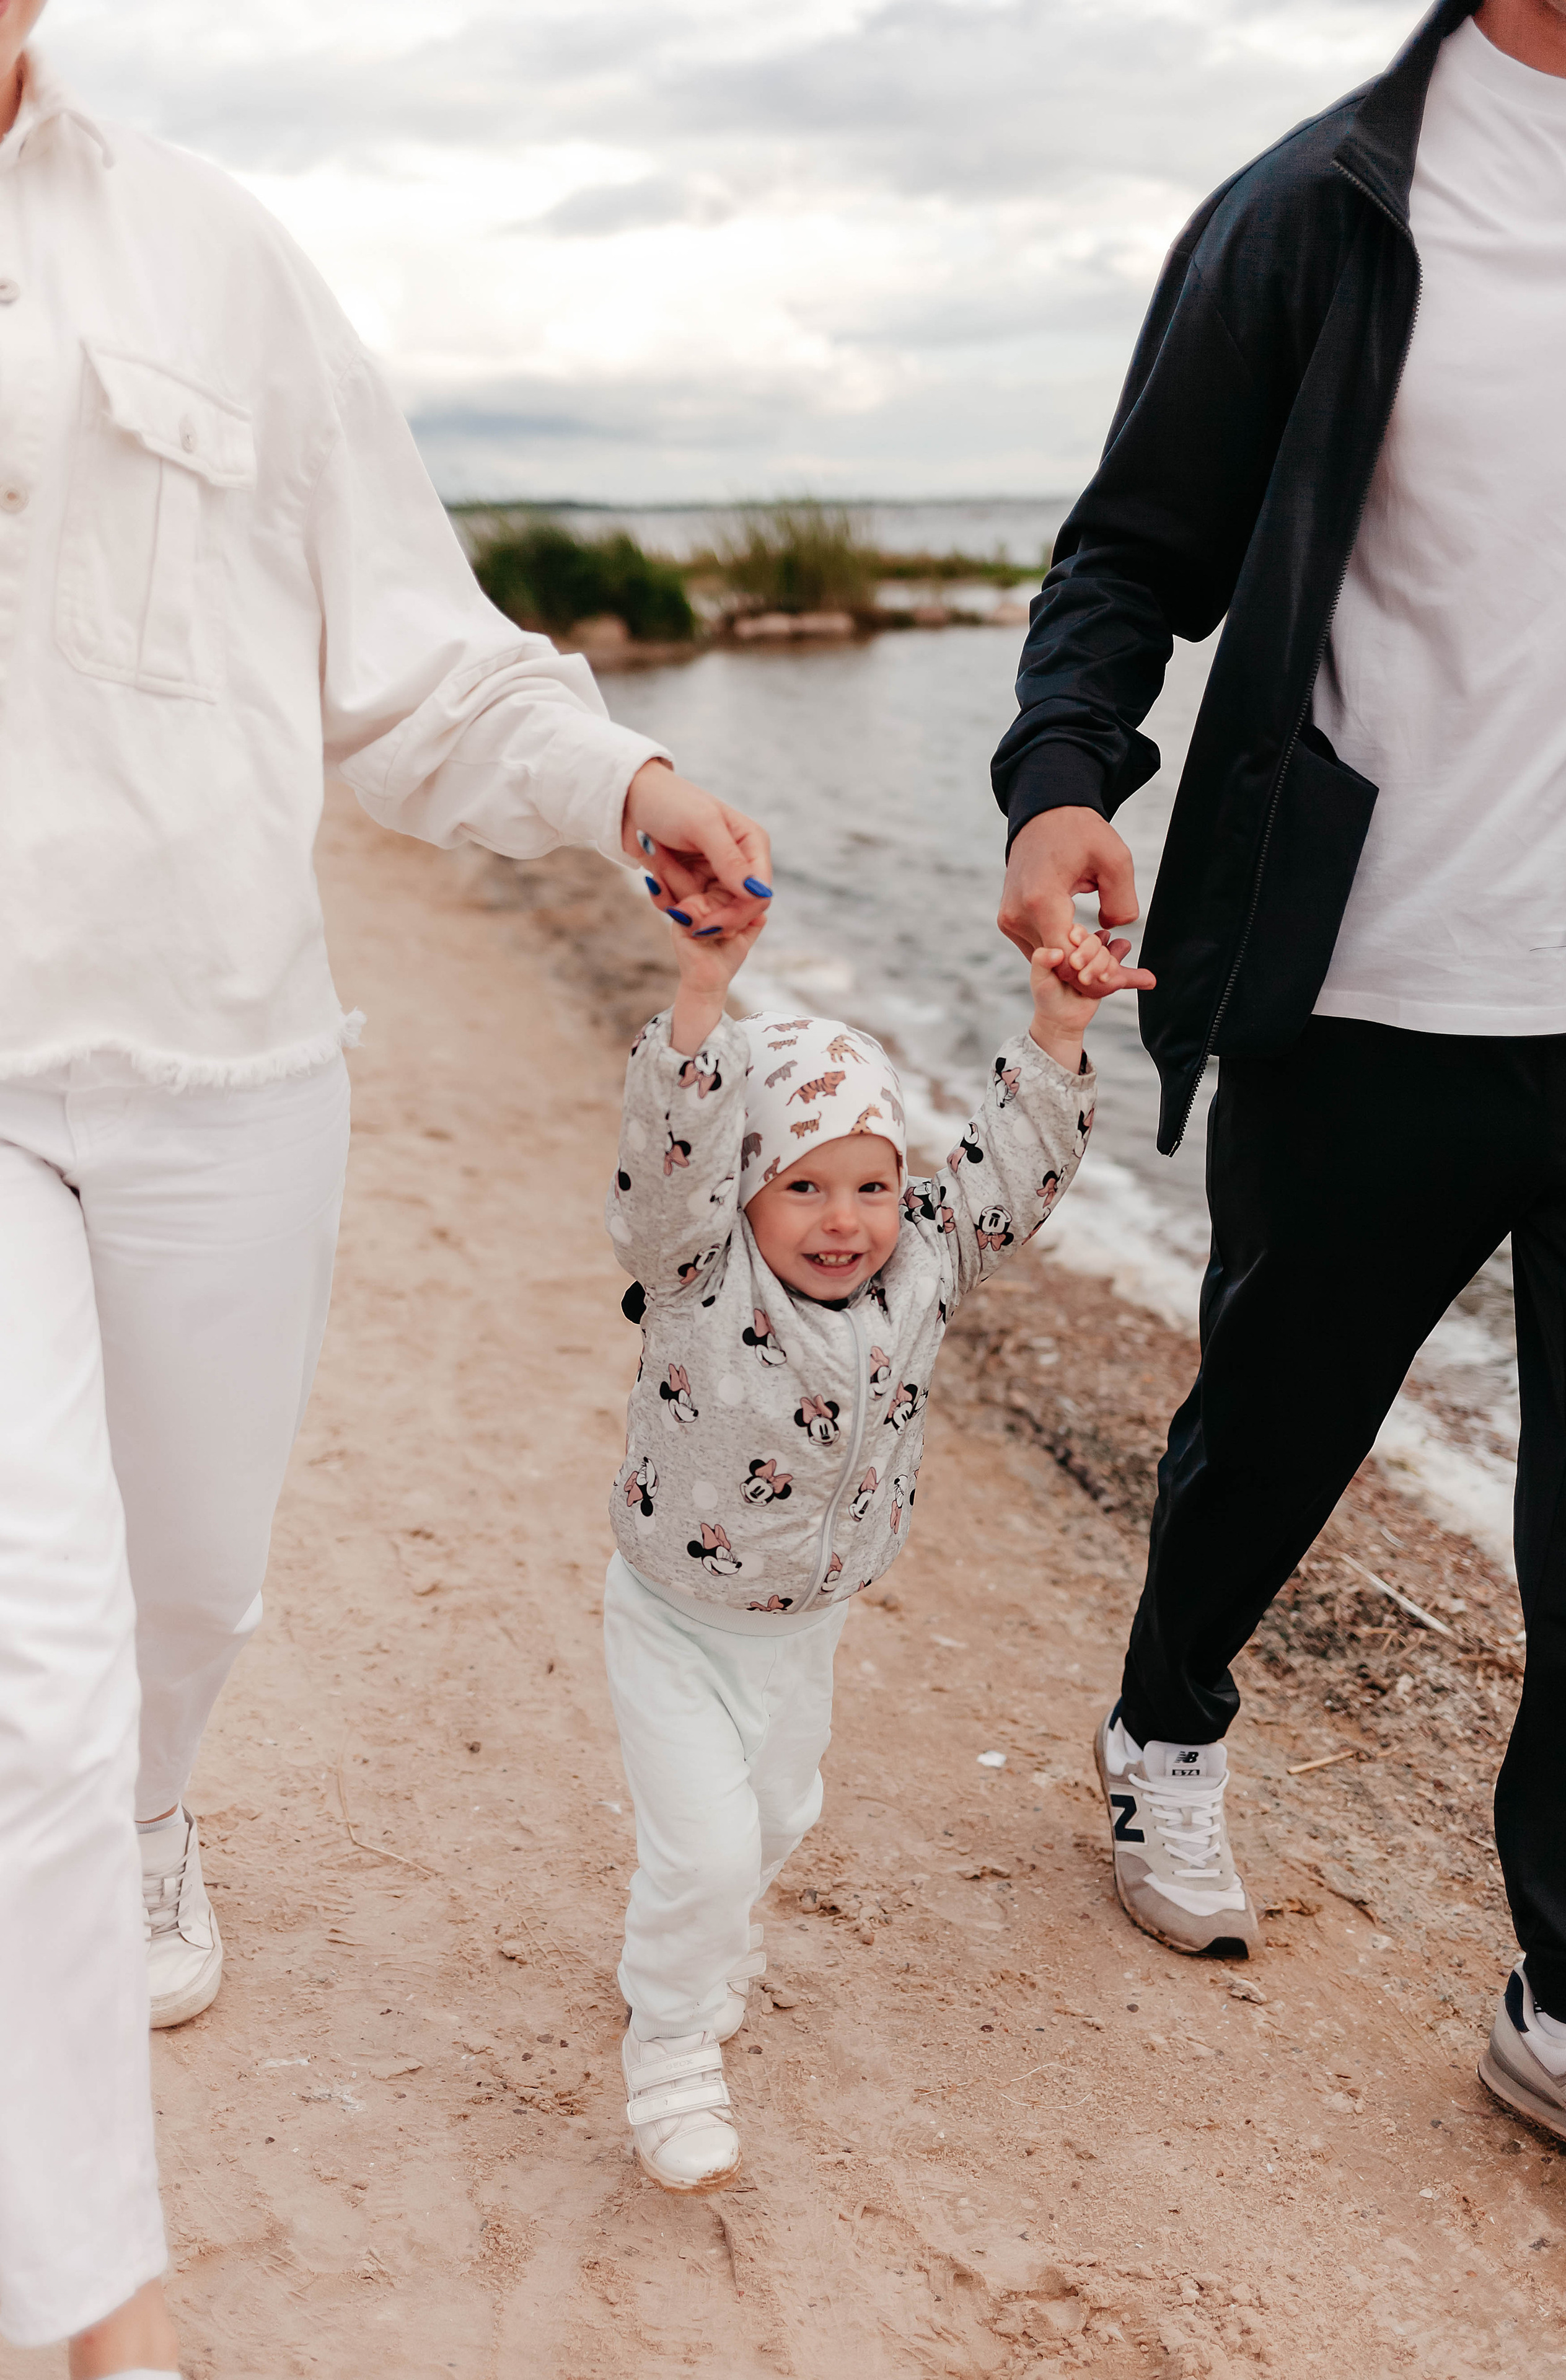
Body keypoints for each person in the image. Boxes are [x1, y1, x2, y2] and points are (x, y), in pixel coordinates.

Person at [0, 14, 770, 2370]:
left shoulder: (219, 253)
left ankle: (155, 1815)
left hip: (227, 1062)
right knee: (30, 1674)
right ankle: (82, 2296)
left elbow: (417, 665)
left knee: (189, 1588)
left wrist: (620, 779)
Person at [991, 0, 1566, 2144]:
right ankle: (1165, 1719)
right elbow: (1133, 557)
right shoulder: (1323, 210)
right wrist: (1062, 782)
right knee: (1273, 1432)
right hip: (1370, 982)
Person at [602, 903, 1150, 2190]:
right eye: (801, 1185)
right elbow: (669, 1164)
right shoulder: (696, 1270)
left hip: (807, 1622)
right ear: (746, 1189)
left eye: (872, 1184)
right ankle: (669, 2048)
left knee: (781, 1812)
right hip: (675, 1615)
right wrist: (699, 1000)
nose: (843, 1220)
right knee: (705, 1846)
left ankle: (701, 1943)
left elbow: (1006, 1181)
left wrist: (1058, 1030)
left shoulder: (923, 1267)